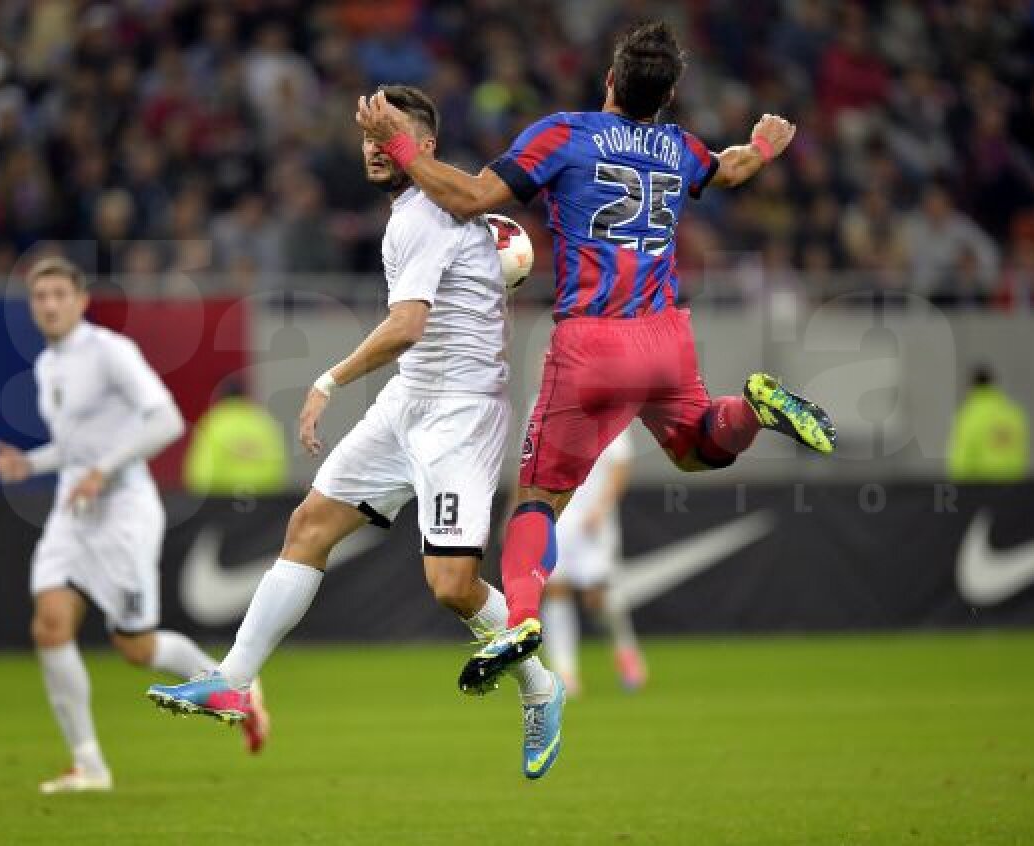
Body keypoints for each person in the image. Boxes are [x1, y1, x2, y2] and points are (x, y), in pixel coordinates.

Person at [356, 21, 837, 691]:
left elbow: (467, 198)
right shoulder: (678, 146)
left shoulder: (565, 134)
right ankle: (752, 407)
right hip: (666, 339)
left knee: (536, 502)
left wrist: (398, 144)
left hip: (591, 343)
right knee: (701, 449)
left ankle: (522, 618)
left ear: (610, 80)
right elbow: (732, 168)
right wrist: (764, 141)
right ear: (667, 97)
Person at [145, 85, 565, 780]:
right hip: (409, 403)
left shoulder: (425, 212)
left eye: (389, 133)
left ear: (423, 145)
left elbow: (409, 325)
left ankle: (541, 688)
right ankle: (234, 679)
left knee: (453, 586)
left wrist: (327, 381)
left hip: (460, 414)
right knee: (309, 525)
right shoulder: (425, 207)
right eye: (368, 133)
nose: (374, 145)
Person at [0, 257, 269, 794]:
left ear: (81, 300)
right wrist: (33, 463)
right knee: (49, 624)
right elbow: (75, 446)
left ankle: (236, 686)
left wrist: (101, 470)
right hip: (75, 512)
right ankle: (88, 764)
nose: (48, 304)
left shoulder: (110, 353)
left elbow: (163, 420)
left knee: (135, 647)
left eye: (57, 294)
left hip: (125, 512)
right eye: (39, 296)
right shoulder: (49, 366)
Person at [541, 428, 645, 695]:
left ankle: (625, 650)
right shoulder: (538, 405)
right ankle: (564, 673)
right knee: (555, 589)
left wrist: (602, 507)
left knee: (596, 598)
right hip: (556, 517)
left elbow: (621, 463)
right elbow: (530, 463)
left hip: (594, 521)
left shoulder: (609, 409)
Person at [183, 377, 287, 496]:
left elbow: (202, 466)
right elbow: (277, 461)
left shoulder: (214, 422)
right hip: (262, 495)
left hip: (222, 497)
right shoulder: (262, 422)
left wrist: (199, 494)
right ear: (246, 396)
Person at [947, 365, 1029, 482]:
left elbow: (960, 458)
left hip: (980, 487)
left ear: (971, 385)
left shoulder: (969, 415)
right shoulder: (1014, 413)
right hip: (1012, 487)